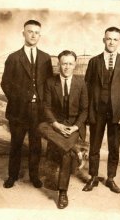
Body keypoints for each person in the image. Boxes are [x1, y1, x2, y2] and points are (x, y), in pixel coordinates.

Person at [1, 20, 53, 188]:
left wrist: (43, 104)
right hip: (18, 110)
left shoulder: (45, 58)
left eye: (36, 32)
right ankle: (12, 176)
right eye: (30, 31)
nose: (33, 35)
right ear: (23, 33)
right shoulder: (13, 57)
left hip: (38, 111)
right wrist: (20, 100)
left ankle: (34, 176)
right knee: (16, 144)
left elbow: (49, 85)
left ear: (40, 35)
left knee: (36, 145)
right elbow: (6, 83)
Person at [82, 27, 120, 193]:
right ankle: (93, 177)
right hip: (97, 111)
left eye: (115, 39)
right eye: (109, 38)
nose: (111, 42)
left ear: (119, 41)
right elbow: (86, 89)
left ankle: (111, 178)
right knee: (94, 147)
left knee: (114, 147)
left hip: (117, 113)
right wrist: (88, 113)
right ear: (103, 39)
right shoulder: (94, 62)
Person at [38, 50, 88, 209]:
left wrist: (74, 127)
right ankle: (76, 150)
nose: (66, 67)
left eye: (70, 64)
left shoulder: (81, 83)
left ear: (75, 65)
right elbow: (46, 107)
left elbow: (85, 110)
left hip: (73, 126)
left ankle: (63, 193)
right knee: (40, 126)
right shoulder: (50, 82)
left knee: (65, 154)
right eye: (64, 63)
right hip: (57, 125)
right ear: (58, 64)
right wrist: (56, 125)